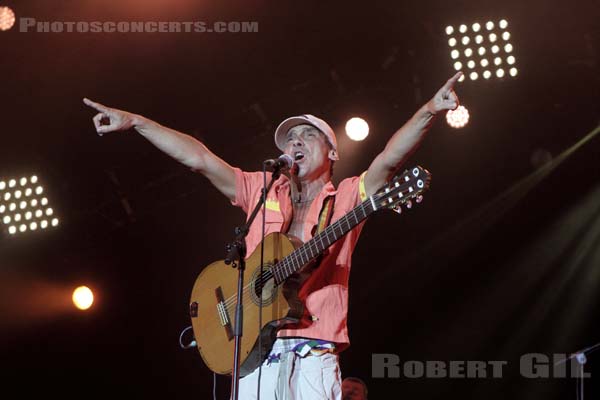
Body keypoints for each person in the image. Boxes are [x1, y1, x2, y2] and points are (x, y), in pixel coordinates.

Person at [83, 71, 461, 400]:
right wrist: (138, 122)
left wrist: (429, 110)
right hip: (252, 350)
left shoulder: (346, 196)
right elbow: (198, 159)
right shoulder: (261, 189)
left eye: (307, 136)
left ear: (332, 151)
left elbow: (389, 160)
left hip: (313, 349)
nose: (295, 143)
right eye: (289, 139)